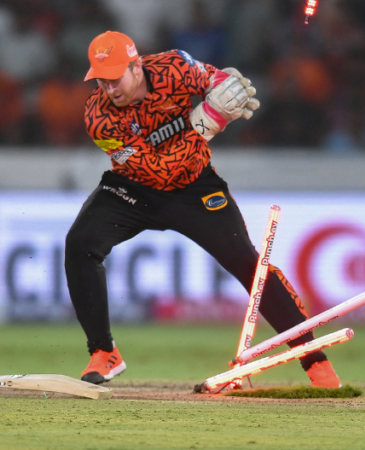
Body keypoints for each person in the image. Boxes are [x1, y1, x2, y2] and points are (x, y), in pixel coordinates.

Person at [66, 31, 341, 388]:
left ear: (137, 66)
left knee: (250, 265)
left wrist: (227, 90)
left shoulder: (174, 66)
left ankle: (317, 364)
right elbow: (159, 171)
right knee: (80, 244)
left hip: (195, 186)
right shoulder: (98, 117)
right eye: (101, 80)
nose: (109, 89)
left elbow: (218, 79)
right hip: (133, 187)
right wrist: (209, 121)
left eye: (115, 78)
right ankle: (104, 352)